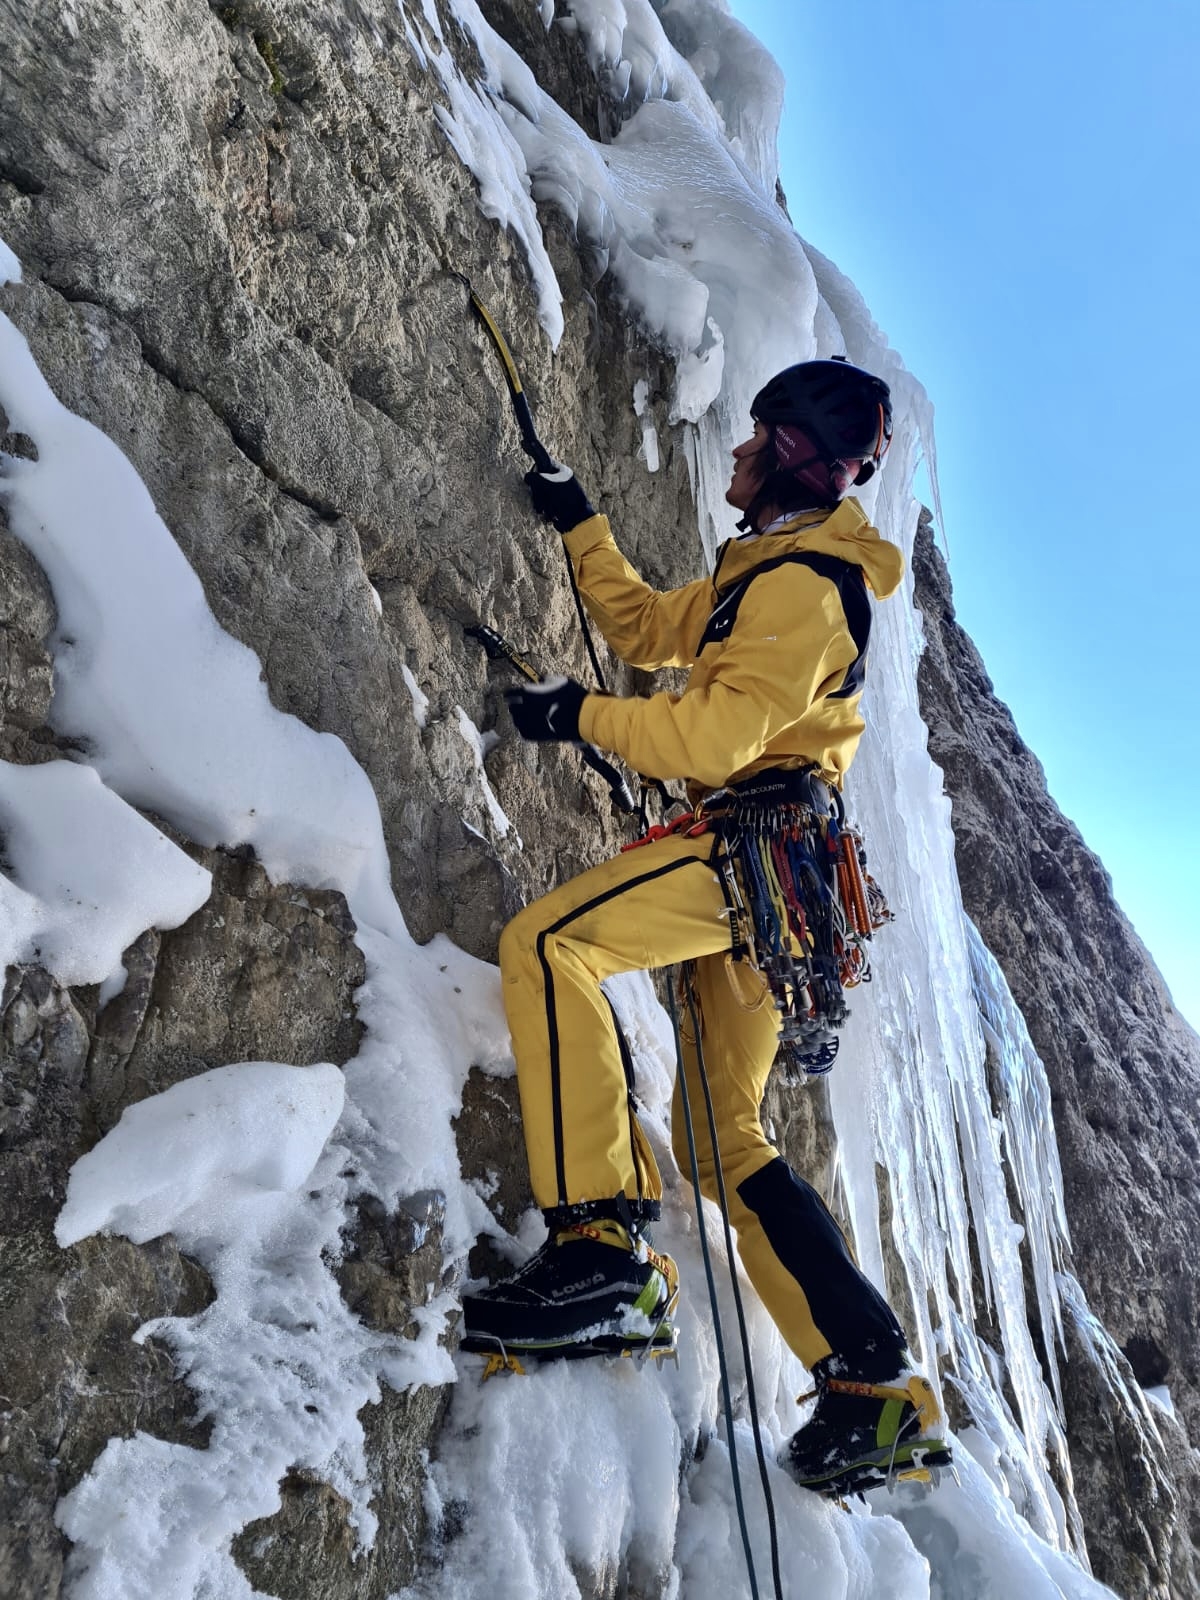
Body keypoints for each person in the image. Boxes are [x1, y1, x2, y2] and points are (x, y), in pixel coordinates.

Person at [461, 358, 952, 1495]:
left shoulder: (805, 586)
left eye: (755, 432)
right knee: (725, 1138)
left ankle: (600, 1247)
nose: (736, 450)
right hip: (784, 883)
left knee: (550, 944)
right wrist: (578, 511)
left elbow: (719, 738)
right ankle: (869, 1382)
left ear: (789, 450)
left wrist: (571, 714)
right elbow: (646, 627)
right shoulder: (769, 572)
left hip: (750, 850)